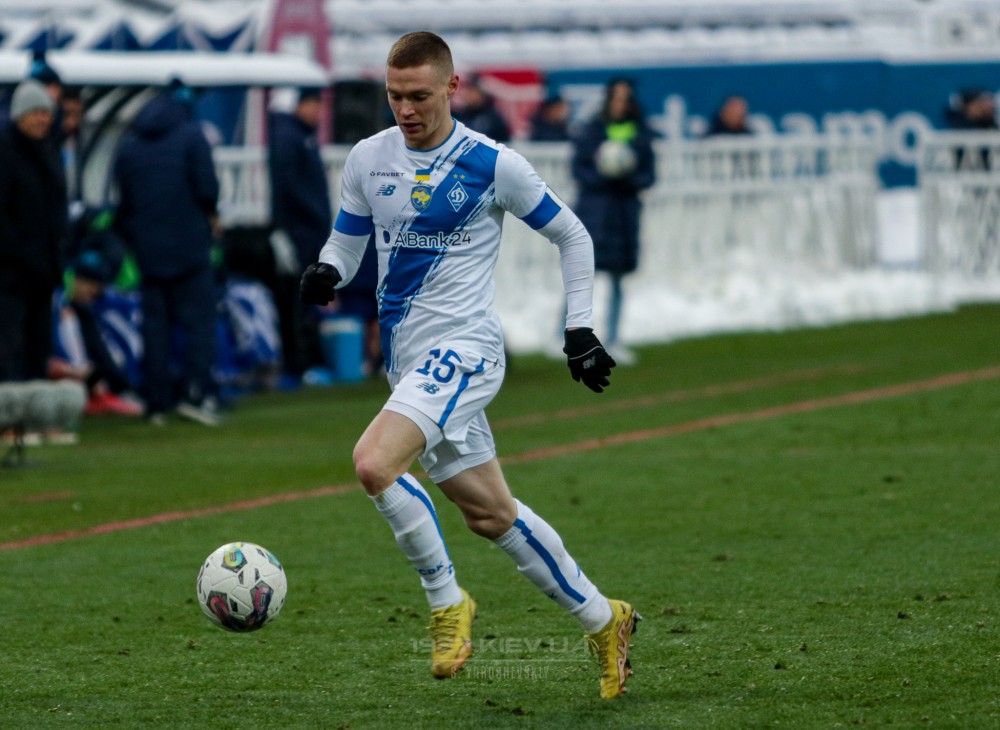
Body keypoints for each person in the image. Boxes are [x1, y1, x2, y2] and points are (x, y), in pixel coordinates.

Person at [299, 31, 637, 700]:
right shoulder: (368, 158)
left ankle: (446, 600)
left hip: (467, 352)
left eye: (419, 95)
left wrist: (579, 329)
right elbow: (347, 241)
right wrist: (327, 270)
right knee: (490, 514)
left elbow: (572, 234)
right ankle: (606, 620)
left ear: (452, 86)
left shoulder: (492, 164)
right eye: (394, 96)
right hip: (410, 364)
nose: (406, 109)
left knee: (373, 464)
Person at [113, 81, 222, 426]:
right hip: (190, 247)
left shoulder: (130, 144)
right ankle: (196, 393)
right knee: (198, 325)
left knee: (155, 329)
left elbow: (124, 201)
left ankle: (155, 402)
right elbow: (208, 189)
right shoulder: (192, 136)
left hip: (147, 251)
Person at [570, 77, 656, 366]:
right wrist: (603, 176)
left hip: (623, 213)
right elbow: (579, 169)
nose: (620, 104)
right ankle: (570, 336)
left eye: (625, 98)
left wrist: (628, 177)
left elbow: (649, 174)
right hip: (595, 212)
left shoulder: (639, 133)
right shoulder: (593, 130)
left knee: (618, 278)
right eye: (615, 98)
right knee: (582, 276)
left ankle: (614, 338)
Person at [0, 79, 68, 385]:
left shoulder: (49, 151)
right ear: (19, 115)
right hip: (11, 274)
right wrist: (18, 254)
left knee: (38, 344)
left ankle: (36, 403)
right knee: (10, 343)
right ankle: (9, 403)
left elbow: (57, 210)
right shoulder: (5, 153)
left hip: (44, 271)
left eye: (46, 112)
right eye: (35, 112)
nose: (42, 118)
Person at [268, 87, 333, 386]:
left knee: (307, 298)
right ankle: (298, 364)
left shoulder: (302, 136)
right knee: (297, 300)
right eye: (313, 104)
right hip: (298, 233)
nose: (318, 111)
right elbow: (288, 187)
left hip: (307, 232)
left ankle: (307, 362)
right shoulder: (289, 137)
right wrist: (311, 218)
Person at [452, 73, 511, 142]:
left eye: (472, 90)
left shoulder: (493, 118)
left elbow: (505, 142)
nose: (468, 94)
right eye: (467, 90)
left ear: (481, 92)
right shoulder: (459, 116)